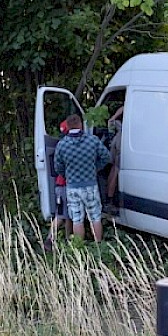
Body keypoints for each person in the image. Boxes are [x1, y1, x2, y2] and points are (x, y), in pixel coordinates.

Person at [54, 114, 111, 242]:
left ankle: (80, 249)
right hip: (90, 185)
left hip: (73, 187)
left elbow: (58, 167)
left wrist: (67, 175)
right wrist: (95, 168)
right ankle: (98, 245)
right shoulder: (93, 140)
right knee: (95, 217)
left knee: (77, 219)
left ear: (67, 126)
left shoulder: (62, 145)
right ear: (81, 125)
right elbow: (107, 157)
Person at [43, 120, 73, 252]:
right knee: (61, 215)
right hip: (65, 186)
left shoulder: (61, 145)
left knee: (68, 215)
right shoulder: (69, 145)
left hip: (61, 186)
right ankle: (49, 240)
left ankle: (68, 239)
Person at [104, 106, 123, 215]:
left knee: (113, 169)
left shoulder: (118, 121)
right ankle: (110, 200)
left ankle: (108, 198)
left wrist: (114, 116)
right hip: (121, 140)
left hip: (116, 139)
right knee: (115, 171)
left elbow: (110, 121)